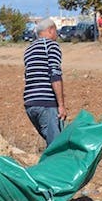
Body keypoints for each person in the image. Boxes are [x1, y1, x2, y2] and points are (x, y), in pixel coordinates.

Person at [23, 18, 67, 147]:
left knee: (50, 143)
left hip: (30, 103)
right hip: (46, 103)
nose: (57, 35)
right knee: (56, 148)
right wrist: (61, 105)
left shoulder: (29, 50)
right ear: (50, 30)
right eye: (56, 31)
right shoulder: (51, 46)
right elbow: (55, 74)